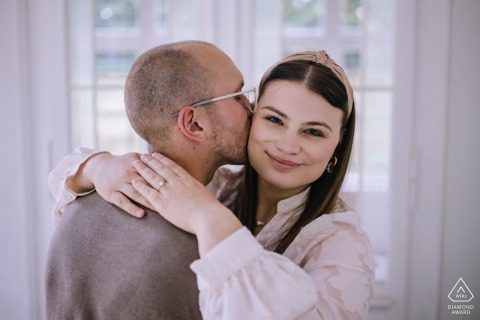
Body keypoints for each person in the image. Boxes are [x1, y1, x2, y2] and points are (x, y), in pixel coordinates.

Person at [51, 50, 375, 319]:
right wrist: (94, 166)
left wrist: (210, 220)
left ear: (338, 147)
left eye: (314, 132)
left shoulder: (343, 244)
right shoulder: (213, 184)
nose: (288, 146)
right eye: (273, 119)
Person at [45, 40, 256, 319]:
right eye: (238, 95)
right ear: (194, 123)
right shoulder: (202, 257)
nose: (251, 105)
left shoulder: (76, 206)